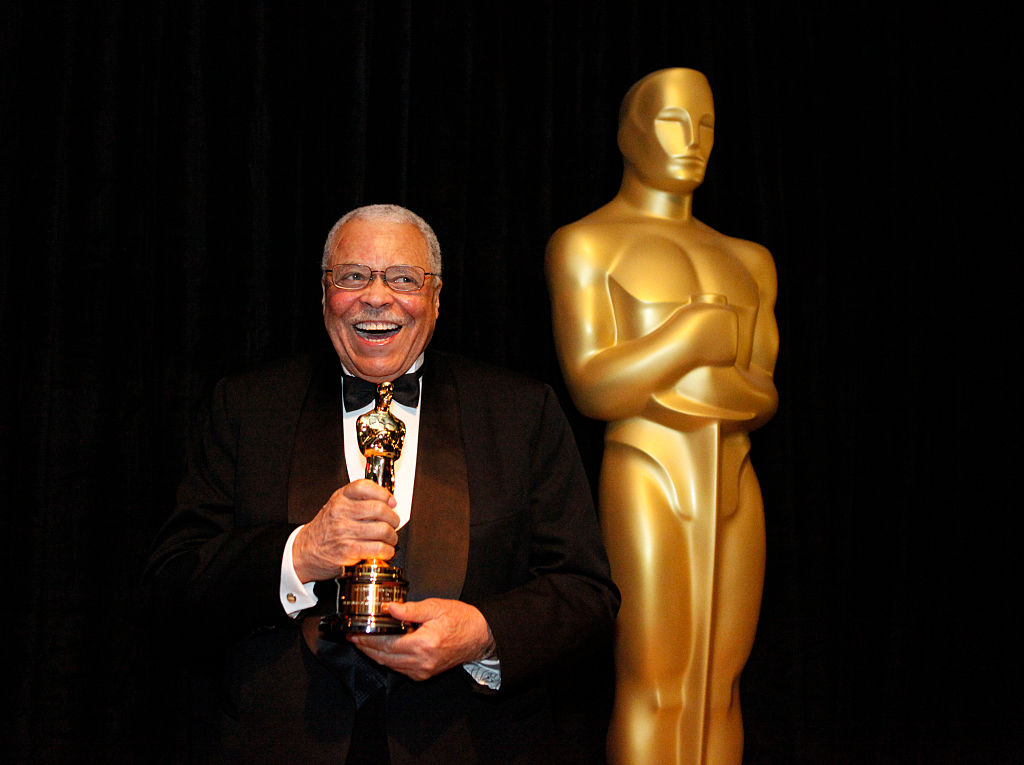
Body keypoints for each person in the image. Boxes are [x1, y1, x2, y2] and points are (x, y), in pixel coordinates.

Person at [145, 204, 620, 764]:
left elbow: (587, 595)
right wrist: (301, 553)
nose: (376, 296)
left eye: (402, 278)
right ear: (325, 295)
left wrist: (484, 633)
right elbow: (171, 584)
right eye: (352, 276)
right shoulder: (247, 406)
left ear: (436, 297)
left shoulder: (521, 411)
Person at [545, 69, 779, 765]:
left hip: (734, 474)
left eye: (706, 125)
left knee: (721, 684)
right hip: (646, 468)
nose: (693, 140)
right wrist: (689, 343)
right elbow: (593, 385)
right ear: (629, 133)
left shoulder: (750, 261)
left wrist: (665, 374)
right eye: (675, 121)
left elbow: (763, 395)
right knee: (656, 682)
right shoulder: (587, 244)